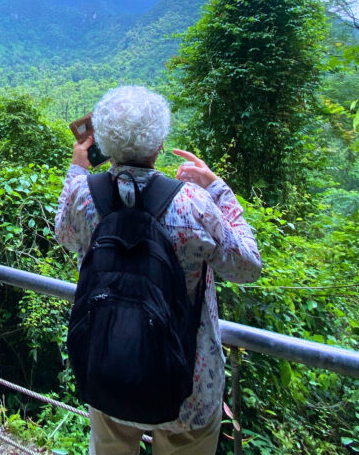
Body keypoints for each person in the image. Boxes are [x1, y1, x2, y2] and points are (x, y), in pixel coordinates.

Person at [55, 86, 261, 455]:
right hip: (187, 388)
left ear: (103, 140)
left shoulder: (83, 196)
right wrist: (218, 189)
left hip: (109, 370)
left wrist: (76, 169)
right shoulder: (193, 204)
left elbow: (65, 234)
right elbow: (247, 266)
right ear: (160, 143)